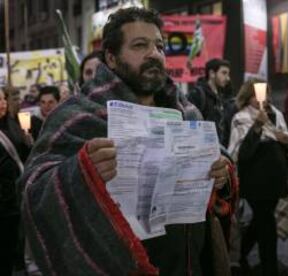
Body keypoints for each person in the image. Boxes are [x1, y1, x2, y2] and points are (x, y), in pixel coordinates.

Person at [18, 7, 235, 275]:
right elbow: (32, 189)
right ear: (111, 57)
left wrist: (220, 176)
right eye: (140, 45)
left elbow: (215, 183)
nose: (154, 53)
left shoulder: (187, 112)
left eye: (159, 45)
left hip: (187, 263)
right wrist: (82, 171)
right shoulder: (76, 114)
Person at [228, 79, 288, 275]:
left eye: (264, 94)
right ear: (247, 97)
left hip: (275, 177)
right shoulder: (240, 118)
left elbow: (287, 140)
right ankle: (269, 268)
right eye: (255, 95)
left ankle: (242, 253)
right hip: (255, 180)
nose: (261, 99)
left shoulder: (276, 114)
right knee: (266, 223)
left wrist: (286, 139)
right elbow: (241, 153)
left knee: (261, 221)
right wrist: (257, 126)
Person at [0, 87, 32, 275]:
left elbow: (25, 156)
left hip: (18, 197)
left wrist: (28, 138)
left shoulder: (14, 124)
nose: (2, 103)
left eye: (3, 99)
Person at [187, 58, 231, 145]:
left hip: (219, 148)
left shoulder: (222, 96)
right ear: (212, 73)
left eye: (228, 74)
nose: (228, 78)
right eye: (224, 73)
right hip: (202, 147)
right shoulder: (197, 94)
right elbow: (190, 124)